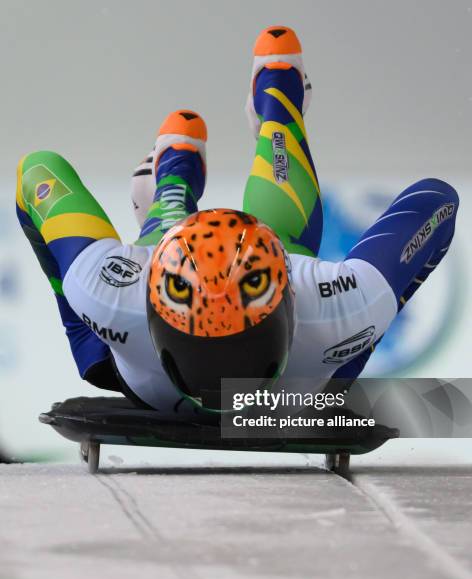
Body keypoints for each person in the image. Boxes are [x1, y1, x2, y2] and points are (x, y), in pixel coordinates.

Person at [16, 26, 459, 411]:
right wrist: (366, 333)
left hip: (148, 370)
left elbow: (35, 173)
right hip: (299, 384)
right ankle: (275, 101)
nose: (223, 389)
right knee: (289, 240)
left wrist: (86, 341)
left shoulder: (104, 291)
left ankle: (174, 182)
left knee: (63, 189)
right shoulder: (347, 305)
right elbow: (438, 201)